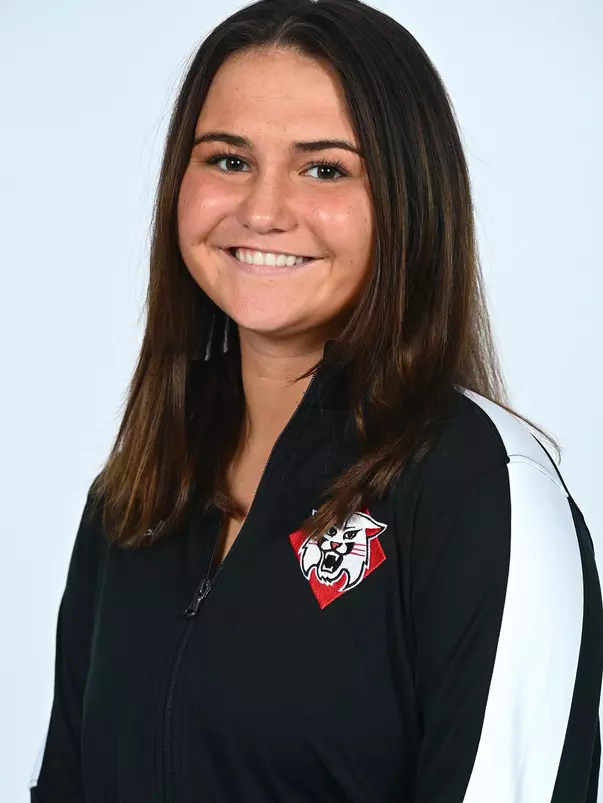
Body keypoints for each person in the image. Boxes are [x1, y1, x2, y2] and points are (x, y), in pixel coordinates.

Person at [29, 0, 602, 801]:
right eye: (227, 159)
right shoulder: (133, 498)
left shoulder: (479, 486)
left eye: (324, 167)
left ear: (407, 199)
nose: (262, 210)